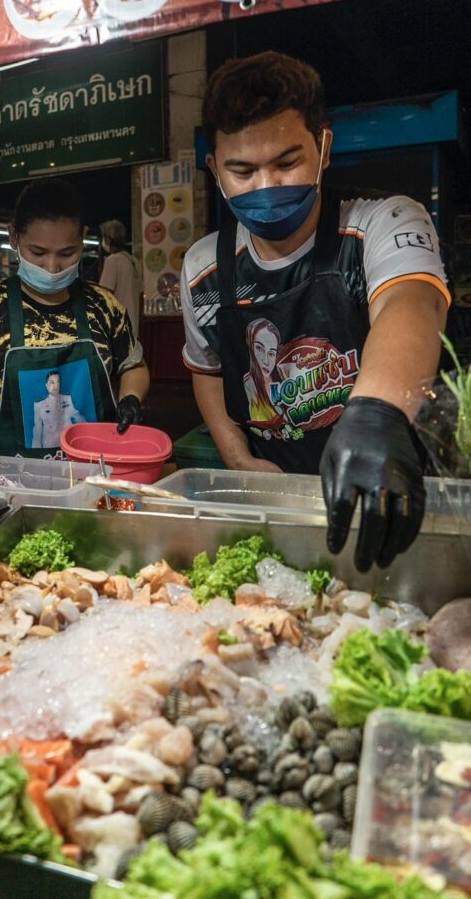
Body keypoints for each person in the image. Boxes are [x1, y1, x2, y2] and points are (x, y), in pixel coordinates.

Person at [181, 50, 449, 573]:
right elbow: (207, 371)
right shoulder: (203, 269)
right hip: (284, 505)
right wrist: (238, 458)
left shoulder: (384, 221)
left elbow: (409, 304)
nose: (267, 187)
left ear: (323, 147)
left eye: (286, 162)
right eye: (242, 170)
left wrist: (377, 414)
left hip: (391, 489)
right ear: (215, 169)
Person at [0, 177, 150, 457]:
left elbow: (134, 365)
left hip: (97, 475)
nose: (52, 267)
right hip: (14, 482)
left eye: (67, 253)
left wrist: (131, 397)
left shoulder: (103, 305)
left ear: (82, 238)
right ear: (14, 237)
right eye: (38, 253)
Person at [99, 219, 142, 334]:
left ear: (108, 239)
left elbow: (105, 294)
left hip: (118, 327)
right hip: (133, 326)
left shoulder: (113, 260)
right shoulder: (135, 261)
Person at [32, 370, 84, 449]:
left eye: (58, 382)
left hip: (68, 443)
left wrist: (89, 431)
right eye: (52, 382)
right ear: (46, 385)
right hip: (50, 445)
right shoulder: (39, 405)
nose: (56, 386)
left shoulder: (67, 399)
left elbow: (78, 417)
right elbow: (37, 430)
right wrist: (37, 452)